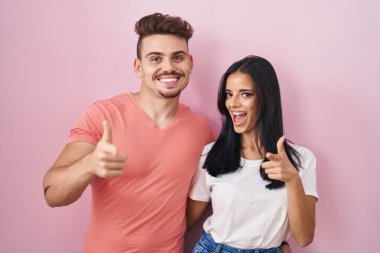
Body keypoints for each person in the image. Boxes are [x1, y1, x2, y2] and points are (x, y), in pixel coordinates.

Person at [43, 13, 214, 253]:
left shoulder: (201, 130)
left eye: (178, 57)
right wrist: (90, 164)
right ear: (138, 67)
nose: (168, 67)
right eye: (155, 58)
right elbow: (52, 194)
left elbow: (196, 199)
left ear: (190, 63)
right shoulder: (103, 115)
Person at [186, 55, 318, 253]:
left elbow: (304, 237)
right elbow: (184, 221)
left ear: (266, 99)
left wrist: (293, 180)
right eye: (229, 94)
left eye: (245, 94)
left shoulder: (301, 160)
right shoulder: (211, 154)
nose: (233, 103)